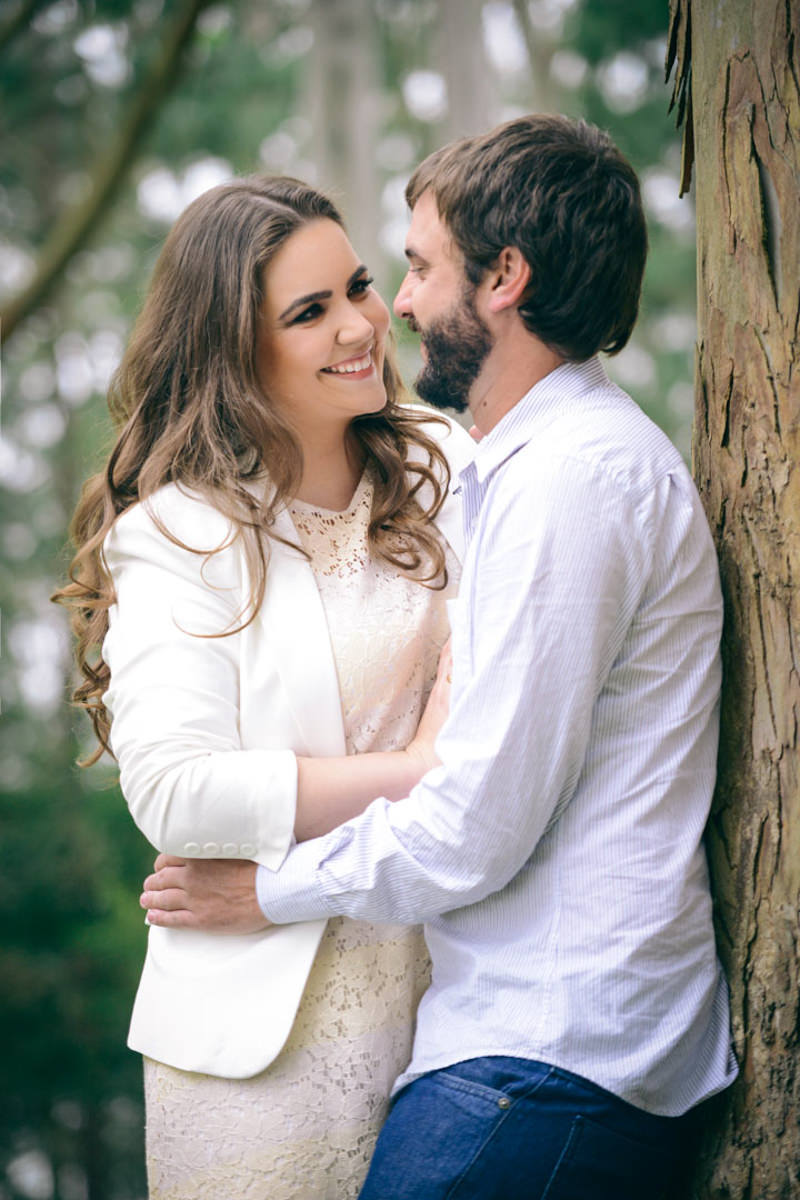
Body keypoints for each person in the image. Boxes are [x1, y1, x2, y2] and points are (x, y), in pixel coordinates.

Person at [142, 116, 739, 1199]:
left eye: (406, 271)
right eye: (318, 306)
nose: (395, 308)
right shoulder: (507, 467)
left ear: (504, 278)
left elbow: (475, 825)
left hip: (549, 1043)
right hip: (487, 1035)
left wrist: (268, 890)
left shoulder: (559, 482)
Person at [54, 175, 476, 1199]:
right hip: (258, 1046)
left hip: (456, 1008)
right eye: (309, 311)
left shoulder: (448, 463)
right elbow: (176, 792)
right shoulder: (177, 533)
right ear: (233, 351)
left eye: (359, 286)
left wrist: (448, 766)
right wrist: (421, 768)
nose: (360, 326)